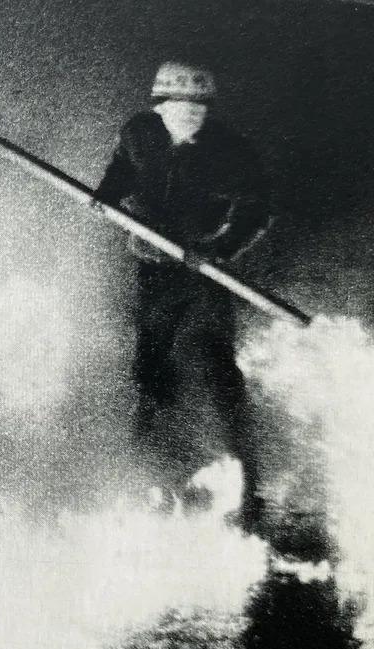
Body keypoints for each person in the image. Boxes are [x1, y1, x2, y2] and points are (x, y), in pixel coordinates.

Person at [94, 61, 271, 524]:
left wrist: (219, 247)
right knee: (151, 362)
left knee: (216, 363)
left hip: (206, 270)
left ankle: (251, 484)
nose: (186, 112)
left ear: (209, 108)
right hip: (154, 266)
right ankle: (147, 469)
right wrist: (106, 196)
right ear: (158, 104)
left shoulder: (229, 149)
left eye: (196, 106)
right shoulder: (139, 133)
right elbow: (121, 173)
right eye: (175, 104)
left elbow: (255, 209)